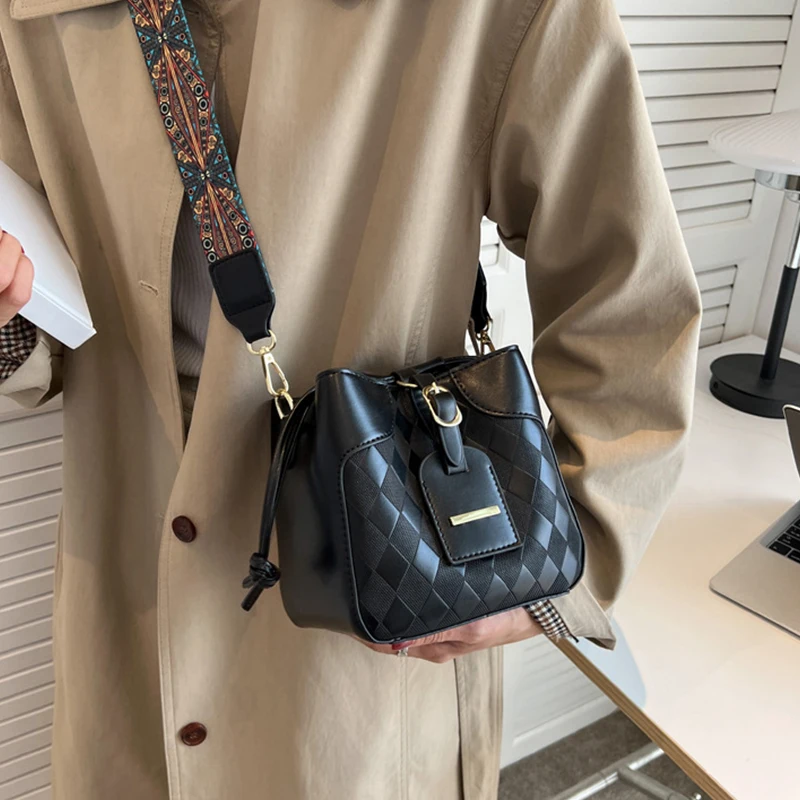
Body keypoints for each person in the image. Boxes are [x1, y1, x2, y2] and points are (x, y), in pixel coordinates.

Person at [0, 0, 703, 797]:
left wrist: (566, 564)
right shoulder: (29, 16)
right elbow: (46, 304)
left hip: (374, 591)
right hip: (125, 583)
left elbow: (633, 305)